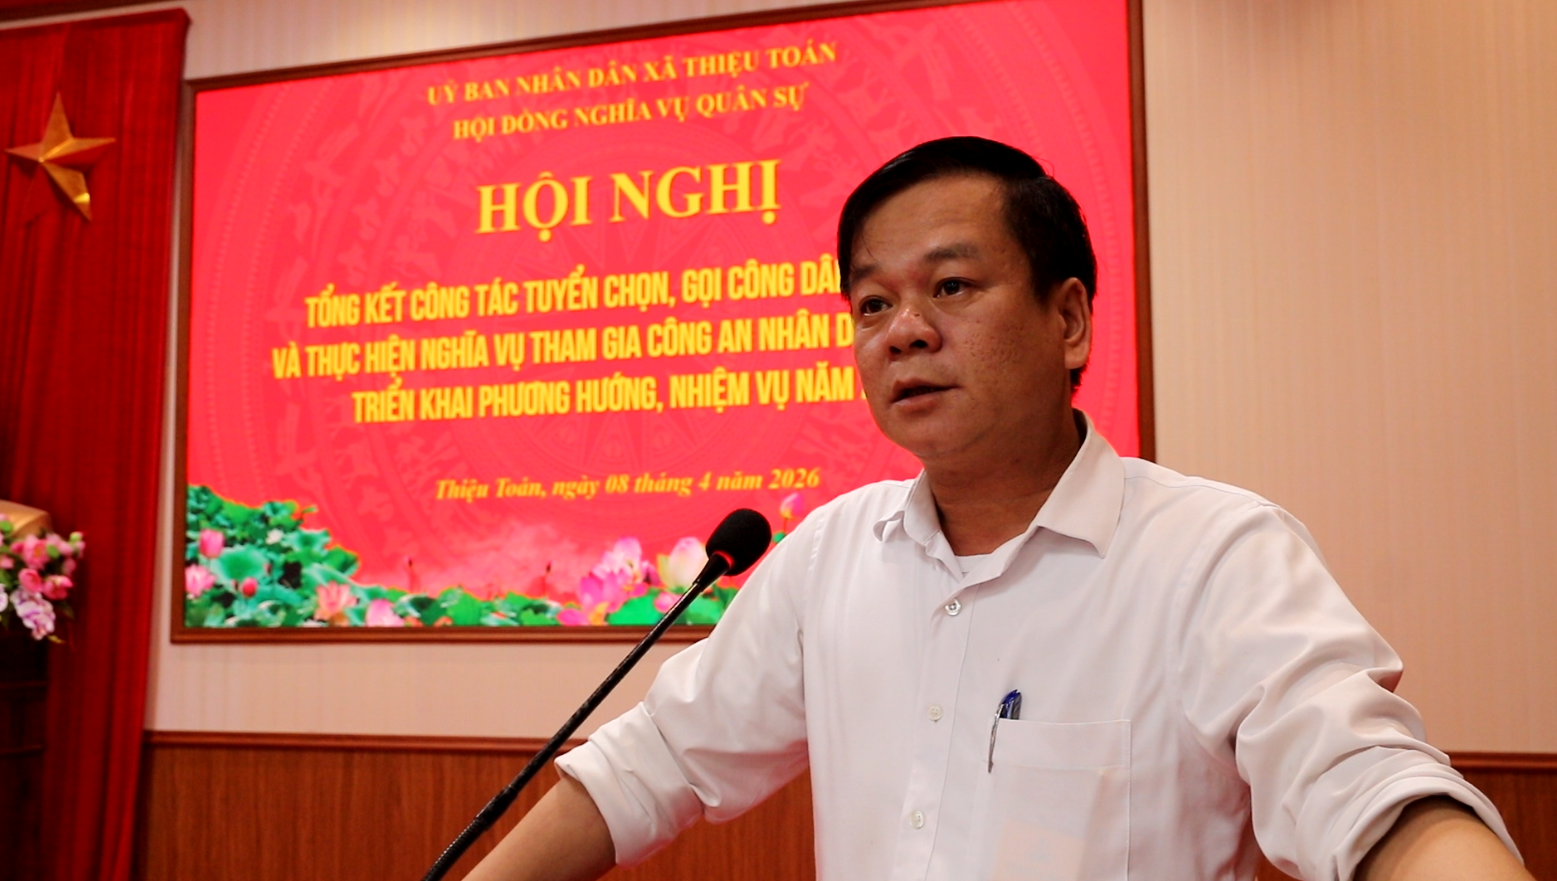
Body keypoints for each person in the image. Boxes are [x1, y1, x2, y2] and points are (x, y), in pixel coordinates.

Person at [465, 137, 1530, 881]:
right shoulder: (832, 556)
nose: (903, 330)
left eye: (951, 287)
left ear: (1068, 320)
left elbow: (1361, 782)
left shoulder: (1212, 552)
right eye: (872, 302)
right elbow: (651, 765)